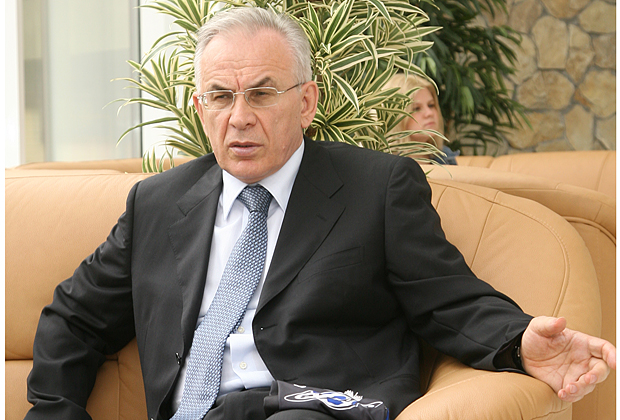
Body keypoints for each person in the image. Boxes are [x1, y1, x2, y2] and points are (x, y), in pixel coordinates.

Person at [25, 7, 615, 420]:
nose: (239, 117)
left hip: (313, 410)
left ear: (306, 102)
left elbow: (449, 300)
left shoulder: (376, 188)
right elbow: (74, 319)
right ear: (200, 107)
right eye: (221, 97)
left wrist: (518, 342)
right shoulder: (156, 203)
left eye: (261, 93)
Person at [384, 73, 459, 165]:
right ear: (395, 115)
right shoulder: (385, 163)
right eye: (417, 108)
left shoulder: (445, 156)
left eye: (431, 105)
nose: (429, 113)